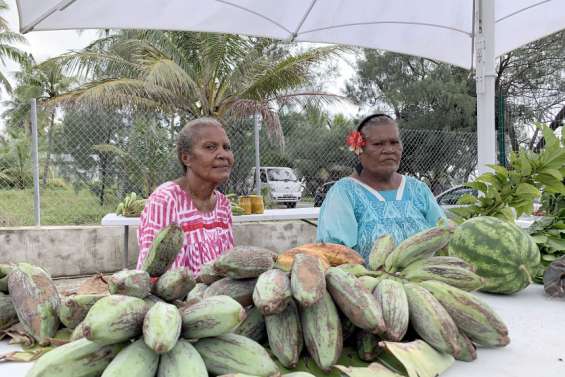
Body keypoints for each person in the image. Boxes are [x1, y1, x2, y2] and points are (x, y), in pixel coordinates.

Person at [317, 113, 445, 262]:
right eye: (378, 144)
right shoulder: (344, 193)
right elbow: (335, 256)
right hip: (367, 283)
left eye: (394, 142)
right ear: (359, 149)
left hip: (426, 283)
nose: (389, 150)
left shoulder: (418, 190)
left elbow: (444, 235)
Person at [136, 117, 235, 275]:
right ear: (186, 158)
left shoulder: (223, 205)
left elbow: (229, 266)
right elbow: (152, 275)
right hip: (174, 298)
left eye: (227, 147)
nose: (223, 154)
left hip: (216, 296)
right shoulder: (166, 200)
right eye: (210, 147)